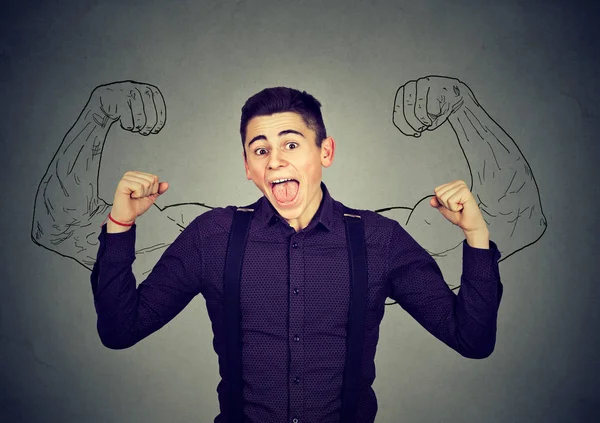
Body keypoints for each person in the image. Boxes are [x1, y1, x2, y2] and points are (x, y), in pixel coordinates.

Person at [31, 77, 545, 422]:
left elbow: (472, 339)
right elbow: (119, 331)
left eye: (291, 143)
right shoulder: (213, 237)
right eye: (260, 149)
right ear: (248, 166)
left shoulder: (378, 240)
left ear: (326, 152)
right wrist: (120, 220)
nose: (275, 159)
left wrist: (476, 235)